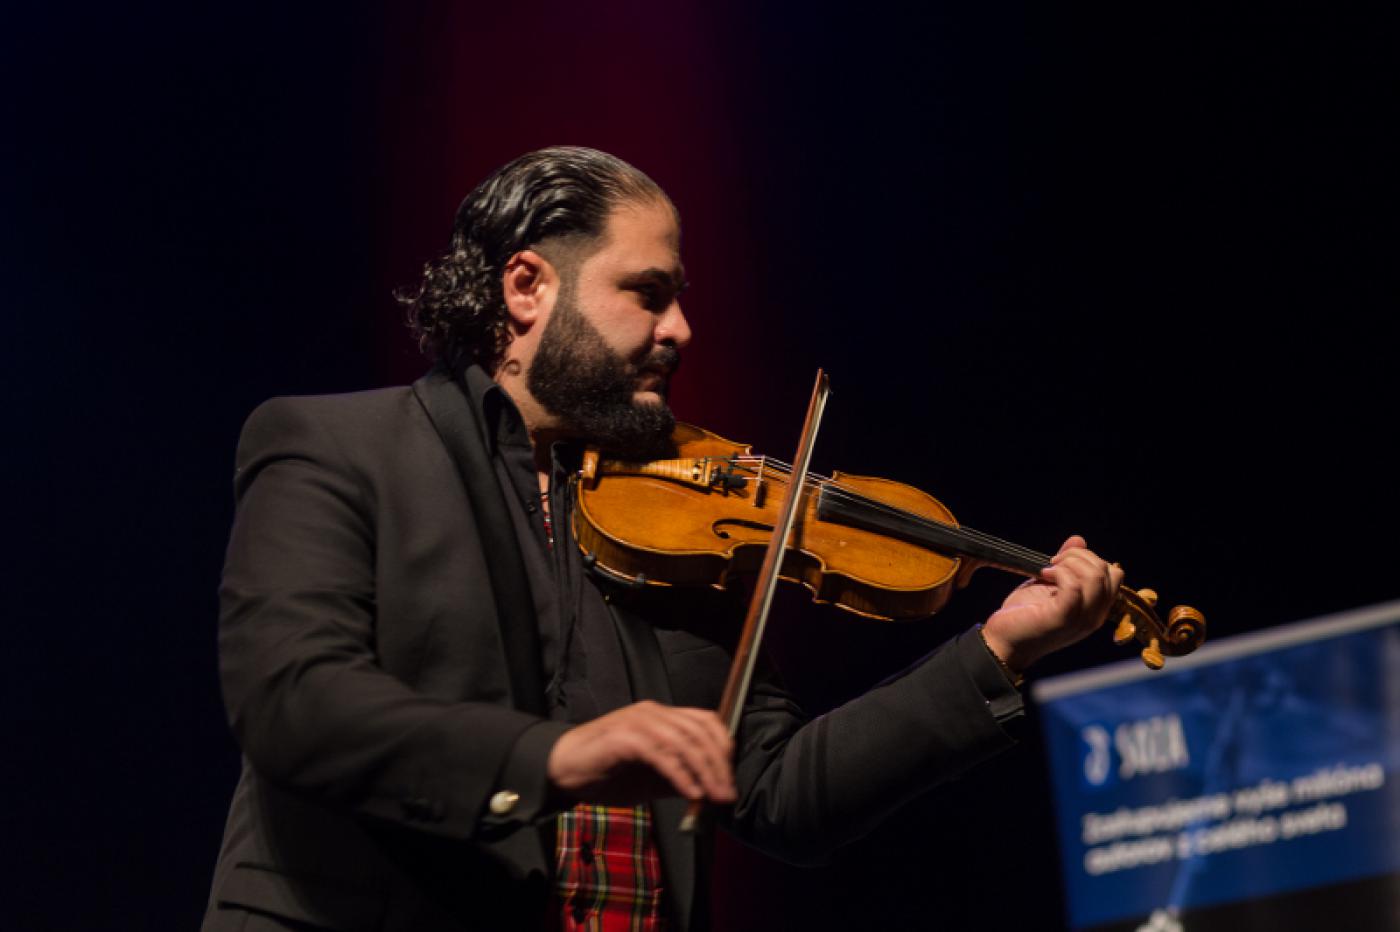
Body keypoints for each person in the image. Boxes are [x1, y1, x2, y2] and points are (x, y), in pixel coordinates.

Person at [203, 146, 1123, 931]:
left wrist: (997, 650)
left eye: (679, 298)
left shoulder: (669, 518)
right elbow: (296, 700)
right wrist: (552, 759)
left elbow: (779, 795)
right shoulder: (337, 447)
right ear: (527, 288)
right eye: (647, 293)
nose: (681, 328)